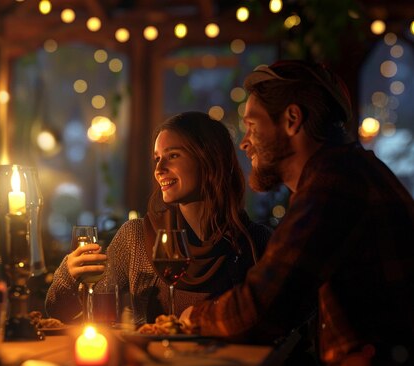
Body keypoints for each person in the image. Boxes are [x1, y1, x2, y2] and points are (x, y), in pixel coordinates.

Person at [186, 60, 414, 366]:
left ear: (292, 119)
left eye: (251, 124)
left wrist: (187, 319)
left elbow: (261, 308)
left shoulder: (334, 181)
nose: (244, 143)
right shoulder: (349, 169)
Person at [46, 111, 272, 325]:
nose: (159, 169)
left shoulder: (255, 243)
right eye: (157, 159)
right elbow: (65, 312)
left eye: (173, 155)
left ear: (209, 160)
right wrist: (70, 275)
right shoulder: (136, 237)